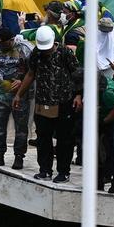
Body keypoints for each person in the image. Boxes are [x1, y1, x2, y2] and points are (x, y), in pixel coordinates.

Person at [14, 23, 81, 181]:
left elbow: (77, 75)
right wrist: (19, 94)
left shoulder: (65, 53)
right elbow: (31, 74)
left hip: (64, 102)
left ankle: (63, 172)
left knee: (64, 139)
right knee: (43, 137)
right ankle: (45, 169)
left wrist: (78, 95)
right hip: (43, 101)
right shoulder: (37, 53)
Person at [0, 27, 29, 168]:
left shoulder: (25, 50)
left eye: (4, 43)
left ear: (12, 39)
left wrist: (21, 80)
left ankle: (19, 156)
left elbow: (33, 71)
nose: (1, 46)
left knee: (21, 128)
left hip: (20, 96)